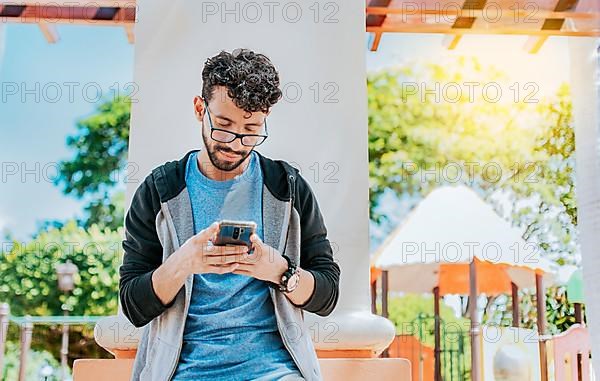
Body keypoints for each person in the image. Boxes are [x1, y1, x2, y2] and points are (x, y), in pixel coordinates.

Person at [119, 48, 341, 381]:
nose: (236, 143)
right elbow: (134, 305)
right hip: (184, 373)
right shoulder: (160, 190)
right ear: (200, 109)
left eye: (251, 130)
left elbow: (328, 294)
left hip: (276, 373)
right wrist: (185, 262)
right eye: (223, 126)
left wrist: (279, 270)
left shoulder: (288, 188)